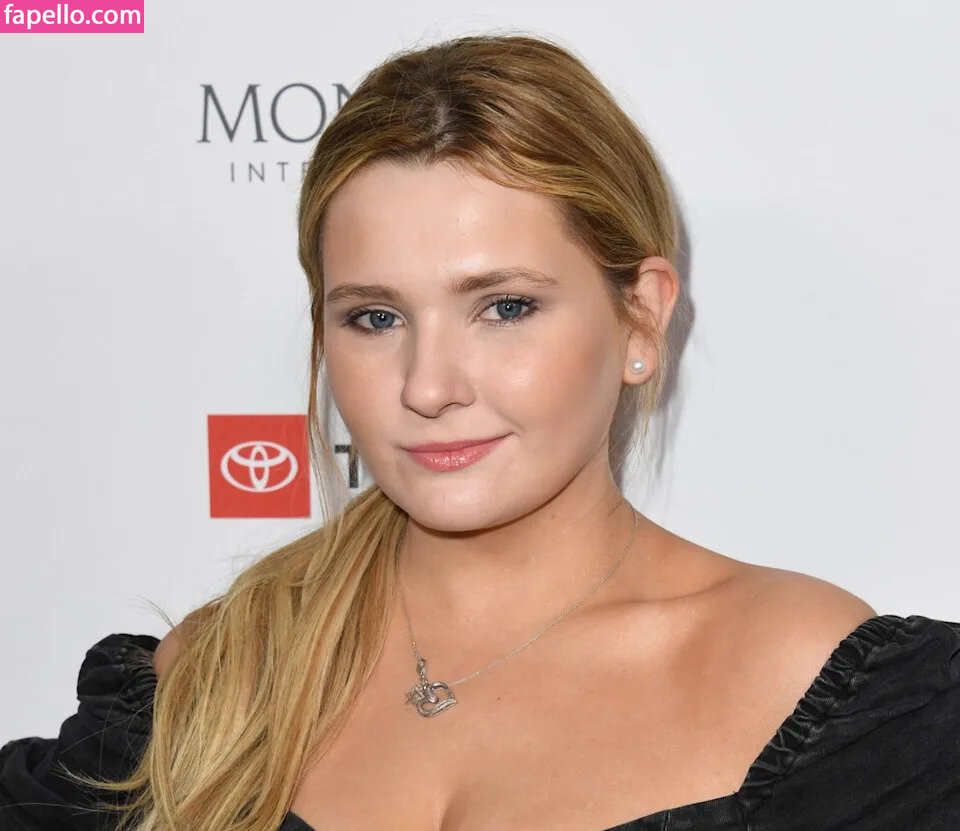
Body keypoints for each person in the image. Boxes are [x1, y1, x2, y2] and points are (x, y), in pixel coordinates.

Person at [2, 32, 958, 831]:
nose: (428, 386)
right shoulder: (216, 672)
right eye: (375, 317)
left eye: (504, 307)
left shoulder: (815, 683)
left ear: (641, 318)